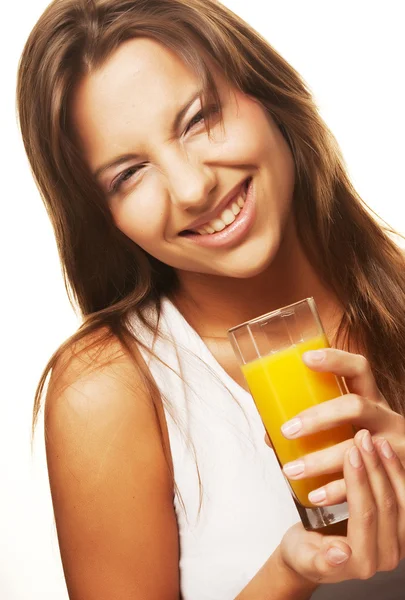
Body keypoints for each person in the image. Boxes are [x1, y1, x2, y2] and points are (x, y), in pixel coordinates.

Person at [16, 0, 405, 598]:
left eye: (198, 119)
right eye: (128, 174)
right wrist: (290, 575)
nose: (194, 188)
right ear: (104, 217)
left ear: (266, 95)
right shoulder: (110, 391)